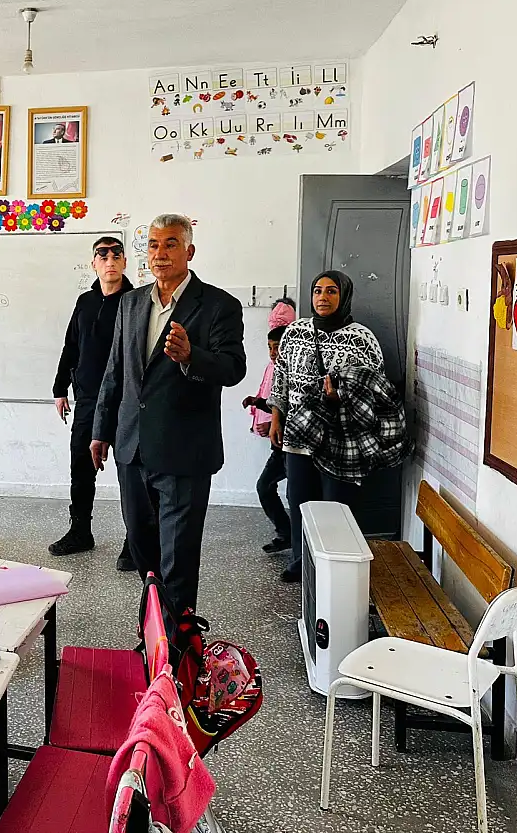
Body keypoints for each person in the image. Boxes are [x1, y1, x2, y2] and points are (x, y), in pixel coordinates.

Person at [91, 214, 247, 620]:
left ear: (189, 251)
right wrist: (101, 430)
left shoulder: (218, 305)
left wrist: (191, 356)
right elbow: (115, 371)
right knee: (142, 547)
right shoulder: (130, 302)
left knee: (177, 556)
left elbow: (233, 368)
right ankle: (155, 627)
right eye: (154, 244)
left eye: (171, 244)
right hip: (132, 448)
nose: (160, 253)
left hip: (183, 451)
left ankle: (177, 641)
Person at [269, 271, 385, 583]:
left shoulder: (362, 339)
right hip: (299, 436)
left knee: (337, 506)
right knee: (300, 501)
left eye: (331, 291)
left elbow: (375, 390)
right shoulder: (294, 332)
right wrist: (277, 417)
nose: (323, 297)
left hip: (341, 441)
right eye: (318, 291)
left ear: (344, 296)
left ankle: (335, 569)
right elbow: (281, 376)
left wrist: (340, 397)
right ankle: (300, 562)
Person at [49, 235, 136, 565]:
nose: (110, 261)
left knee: (131, 472)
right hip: (87, 399)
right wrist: (60, 388)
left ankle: (135, 541)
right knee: (81, 468)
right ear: (94, 263)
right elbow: (71, 345)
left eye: (116, 255)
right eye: (103, 256)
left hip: (126, 401)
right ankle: (80, 531)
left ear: (124, 262)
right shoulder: (85, 302)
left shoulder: (137, 302)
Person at [241, 298, 296, 553]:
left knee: (296, 495)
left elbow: (290, 406)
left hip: (295, 445)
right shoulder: (273, 368)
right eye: (270, 347)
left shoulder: (297, 372)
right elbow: (275, 402)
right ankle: (286, 533)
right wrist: (258, 404)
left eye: (278, 347)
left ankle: (299, 544)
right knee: (264, 487)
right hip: (279, 445)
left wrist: (268, 416)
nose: (273, 352)